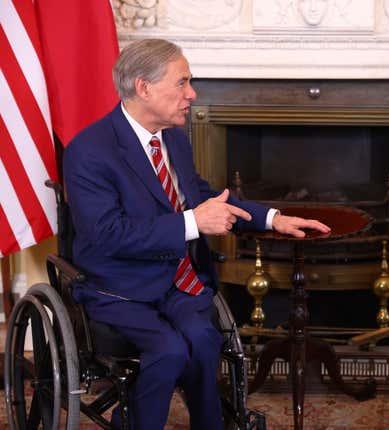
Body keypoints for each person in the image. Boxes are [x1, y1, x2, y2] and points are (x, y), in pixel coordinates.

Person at [63, 38, 330, 430]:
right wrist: (192, 223)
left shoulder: (173, 137)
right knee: (169, 350)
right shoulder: (89, 150)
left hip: (176, 279)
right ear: (144, 87)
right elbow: (106, 234)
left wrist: (273, 218)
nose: (192, 94)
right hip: (119, 286)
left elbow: (201, 196)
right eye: (182, 83)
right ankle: (135, 421)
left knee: (205, 341)